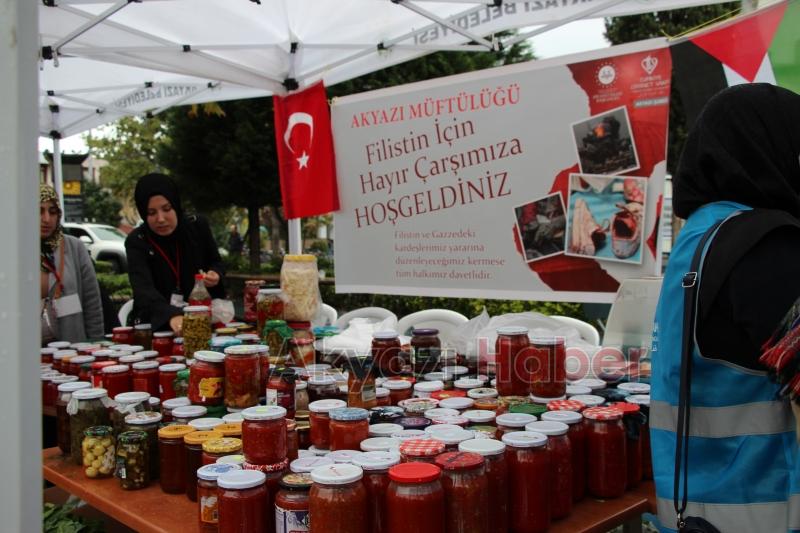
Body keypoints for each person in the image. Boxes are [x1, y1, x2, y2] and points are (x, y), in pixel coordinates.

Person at [650, 84, 800, 532]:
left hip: (691, 510)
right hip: (769, 513)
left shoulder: (699, 237)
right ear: (770, 147)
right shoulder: (767, 247)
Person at [125, 173, 226, 334]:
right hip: (157, 328)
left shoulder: (197, 227)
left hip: (203, 321)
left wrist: (215, 274)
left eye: (167, 209)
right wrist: (171, 316)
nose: (161, 219)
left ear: (176, 205)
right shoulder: (137, 241)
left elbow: (216, 262)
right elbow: (143, 290)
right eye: (151, 213)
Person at [40, 184, 104, 343]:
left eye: (52, 212)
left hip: (71, 351)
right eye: (39, 211)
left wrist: (96, 345)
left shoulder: (74, 247)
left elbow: (92, 305)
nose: (46, 219)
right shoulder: (11, 252)